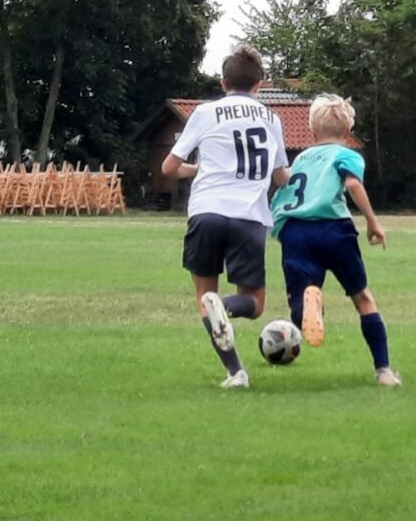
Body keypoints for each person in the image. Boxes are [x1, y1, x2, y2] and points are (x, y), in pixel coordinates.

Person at [161, 45, 290, 389]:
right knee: (255, 303)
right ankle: (227, 307)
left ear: (222, 82)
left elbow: (169, 168)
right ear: (260, 85)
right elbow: (281, 177)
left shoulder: (205, 112)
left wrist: (199, 168)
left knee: (206, 298)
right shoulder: (272, 118)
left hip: (206, 212)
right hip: (249, 217)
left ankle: (236, 372)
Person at [270, 94, 400, 386]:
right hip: (333, 229)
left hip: (296, 232)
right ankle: (384, 371)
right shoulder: (348, 155)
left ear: (312, 132)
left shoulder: (302, 157)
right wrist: (372, 222)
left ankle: (310, 306)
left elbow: (285, 185)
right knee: (363, 298)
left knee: (301, 299)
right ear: (348, 132)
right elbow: (352, 184)